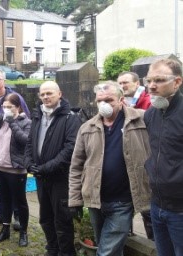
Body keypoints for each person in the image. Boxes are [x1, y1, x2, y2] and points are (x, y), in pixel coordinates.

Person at [68, 81, 151, 256]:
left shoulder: (141, 119)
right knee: (111, 248)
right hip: (95, 199)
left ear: (121, 100)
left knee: (105, 252)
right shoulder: (87, 128)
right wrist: (75, 199)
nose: (104, 104)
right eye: (100, 100)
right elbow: (76, 166)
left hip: (123, 200)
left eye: (109, 100)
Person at [24, 81, 81, 256]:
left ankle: (66, 252)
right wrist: (28, 163)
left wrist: (47, 167)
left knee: (62, 220)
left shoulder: (71, 117)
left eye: (49, 93)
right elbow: (29, 142)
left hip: (60, 178)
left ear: (59, 94)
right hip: (41, 178)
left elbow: (70, 148)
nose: (46, 97)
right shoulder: (37, 115)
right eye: (42, 94)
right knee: (45, 218)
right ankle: (52, 248)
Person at [143, 58, 183, 256]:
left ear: (177, 82)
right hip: (157, 204)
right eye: (149, 80)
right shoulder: (151, 114)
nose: (151, 86)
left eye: (159, 80)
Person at [0, 69, 30, 230]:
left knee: (15, 190)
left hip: (13, 150)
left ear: (4, 81)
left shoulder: (15, 98)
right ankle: (1, 213)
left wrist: (13, 123)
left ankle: (17, 217)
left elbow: (25, 120)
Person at [117, 71, 153, 240]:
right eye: (120, 83)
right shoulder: (120, 102)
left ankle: (153, 242)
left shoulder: (148, 102)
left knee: (147, 206)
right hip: (125, 159)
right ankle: (129, 234)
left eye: (126, 82)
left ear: (137, 83)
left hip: (144, 157)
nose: (122, 86)